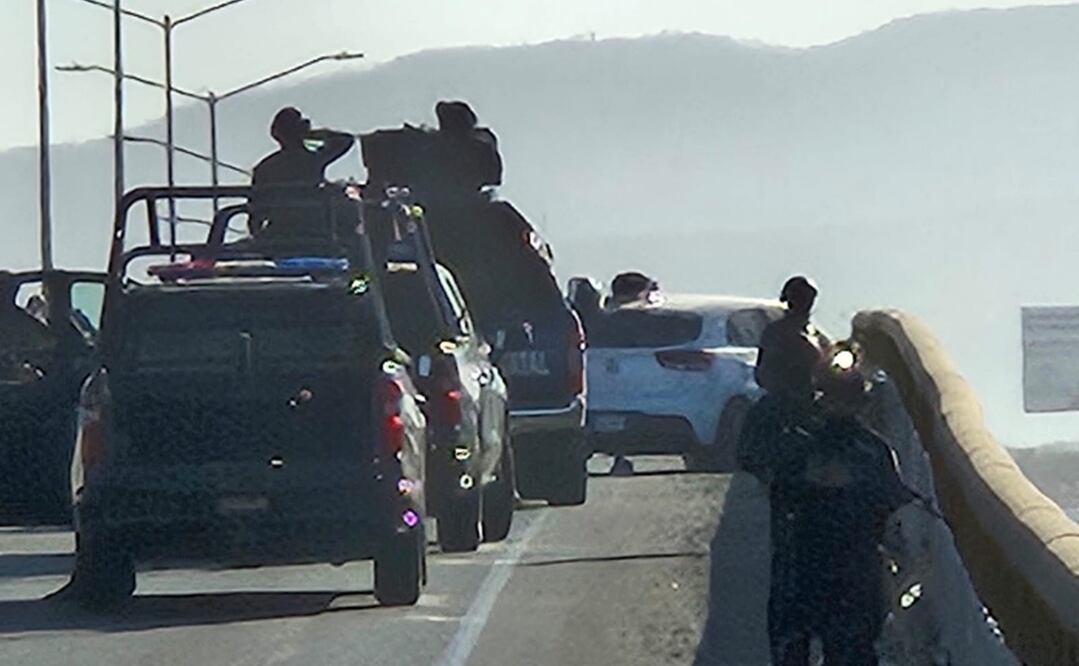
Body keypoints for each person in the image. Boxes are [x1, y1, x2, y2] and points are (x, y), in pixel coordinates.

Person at [249, 107, 354, 239]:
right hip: (313, 226)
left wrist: (257, 236)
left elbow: (256, 209)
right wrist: (316, 134)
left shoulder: (264, 166)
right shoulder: (312, 159)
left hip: (279, 230)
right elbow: (346, 140)